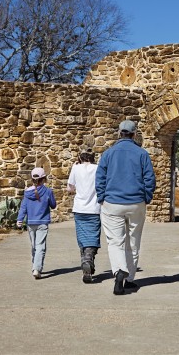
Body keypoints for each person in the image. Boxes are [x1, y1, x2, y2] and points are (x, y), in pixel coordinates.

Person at [96, 120, 156, 295]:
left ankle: (119, 271)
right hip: (136, 202)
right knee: (133, 241)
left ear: (119, 133)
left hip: (112, 203)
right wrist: (146, 197)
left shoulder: (108, 154)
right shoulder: (142, 154)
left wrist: (101, 197)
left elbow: (100, 178)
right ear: (134, 134)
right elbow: (149, 179)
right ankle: (129, 278)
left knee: (115, 241)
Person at [67, 148, 101, 283]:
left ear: (80, 158)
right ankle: (89, 259)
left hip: (79, 208)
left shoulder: (76, 168)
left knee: (82, 236)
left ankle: (86, 261)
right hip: (94, 208)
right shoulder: (98, 168)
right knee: (93, 235)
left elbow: (70, 188)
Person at [17, 167, 57, 279]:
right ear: (44, 178)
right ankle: (37, 268)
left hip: (30, 222)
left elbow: (23, 207)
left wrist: (20, 219)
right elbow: (53, 205)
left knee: (34, 245)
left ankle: (35, 265)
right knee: (40, 246)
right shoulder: (48, 191)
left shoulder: (27, 192)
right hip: (42, 222)